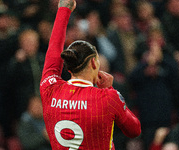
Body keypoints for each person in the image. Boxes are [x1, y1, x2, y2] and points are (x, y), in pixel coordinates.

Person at [40, 0, 141, 149]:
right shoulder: (108, 98)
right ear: (94, 63)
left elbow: (53, 52)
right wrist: (111, 90)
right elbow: (134, 130)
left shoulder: (50, 87)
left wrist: (63, 10)